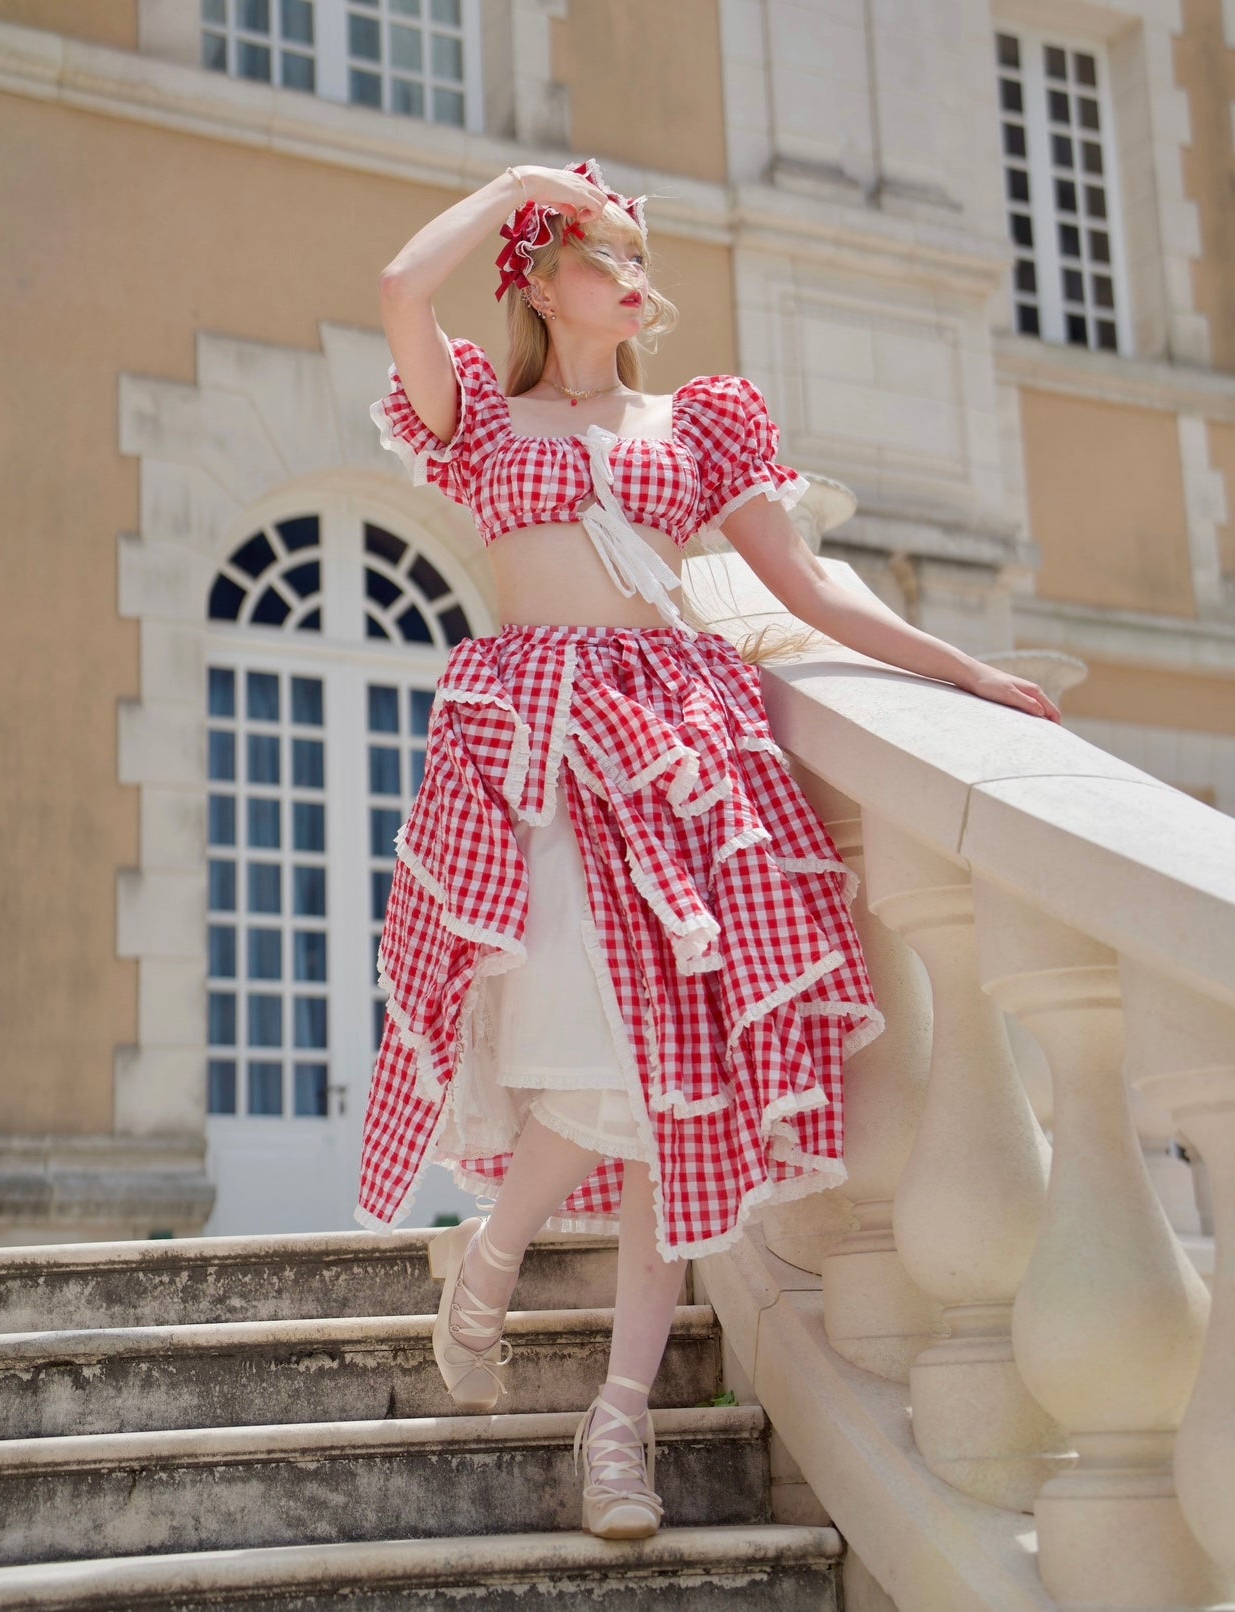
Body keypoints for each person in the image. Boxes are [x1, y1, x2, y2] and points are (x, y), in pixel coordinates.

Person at [355, 158, 1061, 1542]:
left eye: (636, 259)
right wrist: (510, 182)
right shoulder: (482, 418)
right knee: (590, 1039)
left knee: (671, 1097)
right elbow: (394, 288)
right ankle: (488, 1258)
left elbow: (801, 592)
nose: (632, 279)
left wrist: (959, 668)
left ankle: (616, 1433)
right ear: (542, 282)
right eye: (602, 257)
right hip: (540, 752)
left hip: (682, 747)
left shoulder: (697, 427)